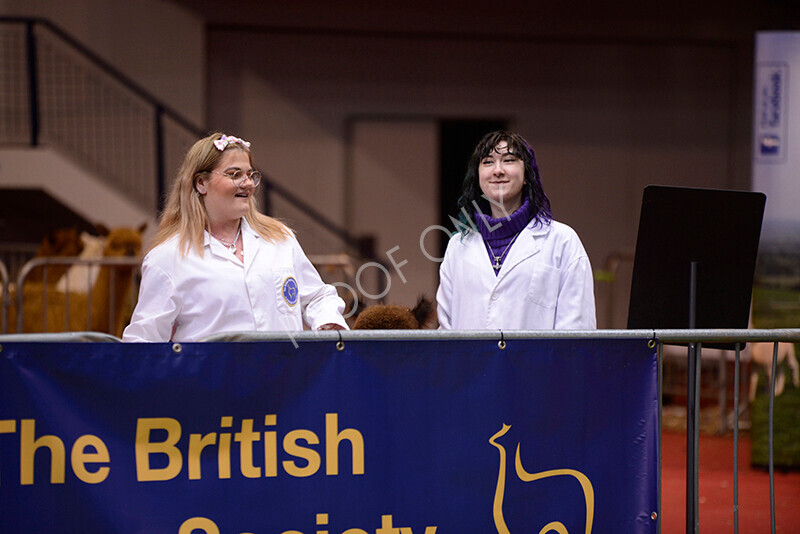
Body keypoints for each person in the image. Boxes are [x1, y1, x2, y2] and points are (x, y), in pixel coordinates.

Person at [123, 133, 347, 342]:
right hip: (212, 384)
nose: (248, 183)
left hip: (286, 381)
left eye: (250, 175)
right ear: (201, 183)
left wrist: (327, 322)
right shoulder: (167, 258)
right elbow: (143, 343)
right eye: (234, 174)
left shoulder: (280, 238)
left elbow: (317, 296)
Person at [436, 130, 596, 330]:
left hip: (538, 362)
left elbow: (577, 331)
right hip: (472, 362)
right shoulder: (458, 246)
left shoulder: (562, 241)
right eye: (487, 162)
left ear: (527, 174)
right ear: (478, 176)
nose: (498, 170)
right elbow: (446, 332)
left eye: (509, 160)